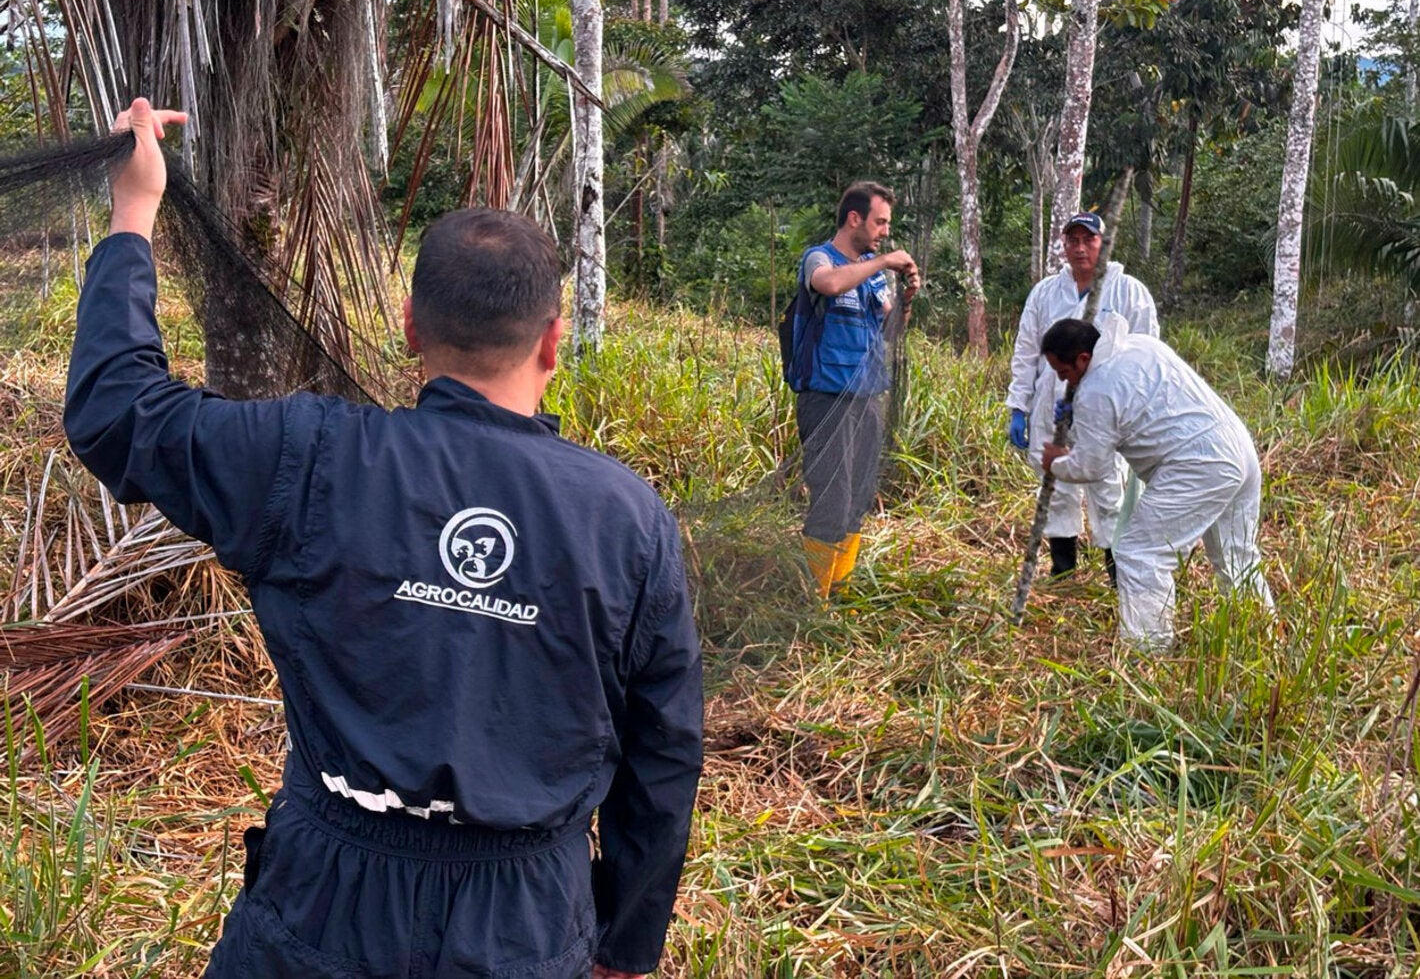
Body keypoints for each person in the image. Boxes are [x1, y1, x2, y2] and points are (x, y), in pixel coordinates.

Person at [64, 100, 703, 979]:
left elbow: (117, 412)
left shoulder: (313, 456)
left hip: (327, 899)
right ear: (554, 340)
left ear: (410, 327)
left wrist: (134, 214)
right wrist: (627, 941)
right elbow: (663, 748)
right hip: (525, 920)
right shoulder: (629, 517)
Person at [1039, 316, 1273, 652]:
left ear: (1083, 359)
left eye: (1064, 372)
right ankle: (1264, 640)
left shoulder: (1096, 390)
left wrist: (1057, 462)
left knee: (1139, 553)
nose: (1064, 381)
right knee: (1238, 557)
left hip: (1196, 463)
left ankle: (1147, 655)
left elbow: (1092, 467)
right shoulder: (1139, 345)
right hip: (1237, 448)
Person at [1005, 211, 1158, 581]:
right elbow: (1027, 351)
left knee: (1108, 489)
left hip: (1106, 411)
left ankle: (1117, 575)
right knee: (1054, 484)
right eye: (1072, 240)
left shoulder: (1128, 291)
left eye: (1088, 240)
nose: (1080, 248)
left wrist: (1137, 413)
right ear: (1063, 245)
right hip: (1050, 406)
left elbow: (1147, 354)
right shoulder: (1045, 293)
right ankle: (1062, 570)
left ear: (1103, 243)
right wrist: (1018, 406)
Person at [789, 181, 920, 600]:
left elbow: (888, 332)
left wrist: (907, 301)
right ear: (854, 219)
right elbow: (827, 284)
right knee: (831, 498)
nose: (884, 230)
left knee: (857, 499)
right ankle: (814, 599)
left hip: (867, 398)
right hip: (826, 398)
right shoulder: (819, 258)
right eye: (880, 222)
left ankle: (839, 590)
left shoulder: (873, 275)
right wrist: (884, 260)